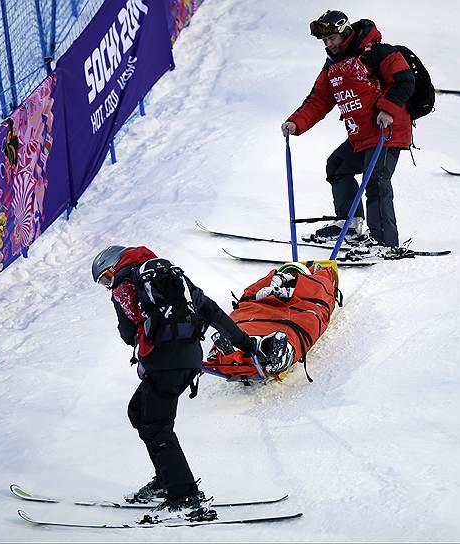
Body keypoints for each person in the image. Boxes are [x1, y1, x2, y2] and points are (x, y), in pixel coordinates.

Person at [91, 245, 257, 520]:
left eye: (105, 279)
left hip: (162, 362)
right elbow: (210, 309)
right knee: (139, 411)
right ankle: (167, 477)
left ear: (112, 267)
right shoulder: (171, 274)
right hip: (189, 358)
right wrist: (244, 343)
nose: (109, 284)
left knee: (156, 425)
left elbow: (127, 332)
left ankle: (184, 495)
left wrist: (141, 334)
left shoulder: (124, 285)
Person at [281, 10, 415, 249]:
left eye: (332, 38)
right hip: (361, 134)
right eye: (325, 40)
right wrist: (296, 122)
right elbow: (319, 100)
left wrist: (387, 109)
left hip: (387, 130)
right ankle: (350, 225)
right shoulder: (333, 65)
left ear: (345, 32)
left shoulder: (377, 52)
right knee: (337, 166)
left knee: (376, 180)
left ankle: (385, 243)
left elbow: (405, 79)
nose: (328, 44)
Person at [204, 261, 340, 384]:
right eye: (288, 272)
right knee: (242, 320)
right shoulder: (270, 283)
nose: (291, 276)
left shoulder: (311, 286)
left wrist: (289, 292)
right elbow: (247, 299)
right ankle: (242, 347)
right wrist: (262, 294)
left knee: (306, 321)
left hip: (295, 310)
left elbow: (316, 300)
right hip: (262, 308)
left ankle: (279, 349)